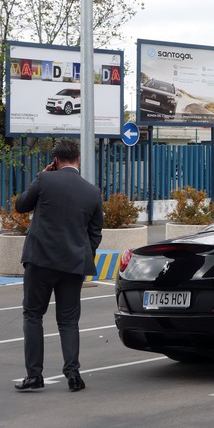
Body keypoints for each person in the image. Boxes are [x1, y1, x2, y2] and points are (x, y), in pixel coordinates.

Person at [14, 139, 103, 392]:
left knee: (33, 315)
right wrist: (83, 253)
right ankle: (73, 375)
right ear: (77, 159)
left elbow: (21, 206)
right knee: (68, 321)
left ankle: (34, 376)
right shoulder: (92, 191)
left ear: (55, 160)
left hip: (40, 261)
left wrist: (40, 176)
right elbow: (95, 233)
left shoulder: (44, 180)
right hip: (73, 265)